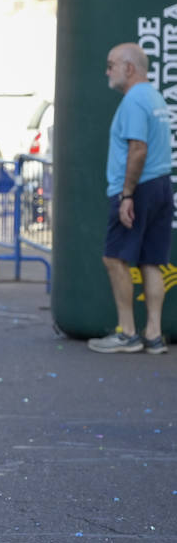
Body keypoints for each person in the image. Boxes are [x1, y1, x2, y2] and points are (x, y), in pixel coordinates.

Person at [88, 42, 173, 354]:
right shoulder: (154, 97)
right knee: (152, 261)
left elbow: (138, 149)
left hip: (139, 189)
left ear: (129, 67)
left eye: (111, 64)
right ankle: (153, 335)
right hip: (161, 185)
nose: (107, 71)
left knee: (114, 257)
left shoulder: (135, 100)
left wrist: (127, 195)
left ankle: (128, 334)